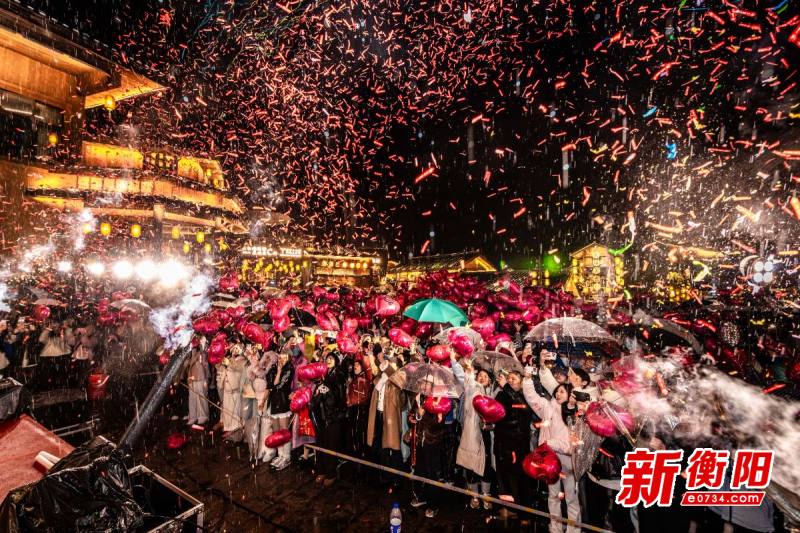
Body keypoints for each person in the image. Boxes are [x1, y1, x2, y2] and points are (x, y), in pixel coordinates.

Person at [522, 367, 581, 533]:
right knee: (553, 496)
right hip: (549, 461)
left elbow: (572, 444)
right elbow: (531, 397)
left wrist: (551, 443)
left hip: (567, 461)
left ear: (570, 395)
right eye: (557, 391)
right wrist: (527, 379)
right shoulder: (547, 407)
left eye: (562, 392)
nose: (558, 394)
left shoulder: (574, 415)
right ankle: (555, 527)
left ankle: (573, 530)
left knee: (571, 498)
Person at [456, 358, 496, 510]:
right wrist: (469, 373)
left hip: (486, 435)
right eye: (480, 375)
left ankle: (486, 495)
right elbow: (469, 385)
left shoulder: (492, 394)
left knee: (486, 466)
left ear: (490, 381)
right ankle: (474, 495)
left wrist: (490, 423)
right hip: (472, 433)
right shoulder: (472, 391)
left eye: (486, 376)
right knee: (471, 465)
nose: (482, 378)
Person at [493, 369, 533, 513]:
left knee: (518, 478)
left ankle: (522, 511)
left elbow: (524, 409)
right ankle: (507, 508)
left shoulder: (524, 396)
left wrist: (506, 386)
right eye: (508, 378)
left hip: (517, 445)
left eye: (513, 379)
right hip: (501, 443)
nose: (509, 380)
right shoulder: (501, 394)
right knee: (503, 477)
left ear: (521, 383)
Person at [366, 353, 405, 487]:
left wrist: (387, 368)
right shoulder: (380, 378)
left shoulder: (398, 382)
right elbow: (375, 390)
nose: (389, 368)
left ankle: (396, 478)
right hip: (378, 415)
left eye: (393, 365)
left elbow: (402, 400)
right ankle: (383, 476)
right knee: (379, 446)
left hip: (391, 419)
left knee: (393, 448)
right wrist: (382, 380)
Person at [310, 352, 348, 485]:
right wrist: (316, 394)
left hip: (334, 416)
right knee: (321, 443)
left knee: (331, 445)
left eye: (331, 358)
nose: (329, 360)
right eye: (327, 358)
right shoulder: (322, 376)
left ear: (336, 361)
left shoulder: (339, 375)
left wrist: (328, 391)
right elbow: (317, 399)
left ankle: (331, 473)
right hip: (322, 416)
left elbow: (339, 398)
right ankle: (322, 470)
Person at [408, 392, 445, 519]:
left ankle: (434, 505)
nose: (425, 384)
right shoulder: (419, 397)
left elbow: (439, 425)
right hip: (420, 440)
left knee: (432, 473)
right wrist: (412, 417)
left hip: (432, 442)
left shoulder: (439, 399)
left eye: (428, 383)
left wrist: (426, 416)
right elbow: (412, 413)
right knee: (420, 469)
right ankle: (421, 497)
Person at [266, 350, 294, 470]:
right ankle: (280, 455)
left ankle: (286, 457)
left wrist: (278, 373)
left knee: (284, 431)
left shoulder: (289, 369)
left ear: (288, 358)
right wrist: (277, 371)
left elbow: (279, 386)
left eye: (285, 357)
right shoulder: (273, 368)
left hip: (283, 402)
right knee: (276, 432)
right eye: (280, 357)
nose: (282, 359)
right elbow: (270, 385)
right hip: (273, 402)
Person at [216, 343, 246, 439]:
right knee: (227, 410)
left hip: (235, 390)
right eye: (234, 349)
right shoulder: (228, 359)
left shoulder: (243, 360)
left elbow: (238, 367)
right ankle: (228, 428)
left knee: (235, 412)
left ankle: (236, 430)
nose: (235, 350)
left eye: (237, 349)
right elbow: (218, 367)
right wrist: (219, 360)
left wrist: (229, 363)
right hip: (227, 388)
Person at [345, 355, 373, 458]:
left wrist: (349, 399)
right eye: (354, 365)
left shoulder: (363, 379)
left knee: (358, 433)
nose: (355, 366)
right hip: (355, 410)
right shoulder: (357, 378)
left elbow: (360, 397)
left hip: (359, 410)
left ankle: (359, 456)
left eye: (357, 365)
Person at [186, 338, 209, 426]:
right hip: (191, 378)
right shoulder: (190, 353)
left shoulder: (202, 352)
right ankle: (193, 416)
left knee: (200, 397)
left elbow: (205, 365)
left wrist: (206, 379)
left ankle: (203, 416)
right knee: (192, 398)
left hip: (200, 377)